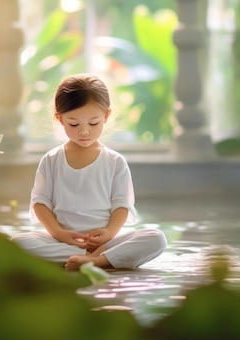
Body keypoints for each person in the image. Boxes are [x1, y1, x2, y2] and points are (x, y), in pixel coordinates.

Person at [10, 73, 167, 270]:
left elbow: (122, 206)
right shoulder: (51, 160)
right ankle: (96, 259)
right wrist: (60, 234)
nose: (84, 131)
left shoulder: (115, 162)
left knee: (156, 238)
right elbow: (40, 204)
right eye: (74, 124)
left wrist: (109, 233)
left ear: (106, 116)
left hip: (105, 244)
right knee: (18, 242)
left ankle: (97, 259)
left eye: (93, 123)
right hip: (61, 241)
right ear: (60, 119)